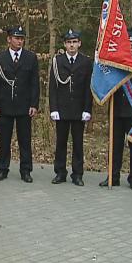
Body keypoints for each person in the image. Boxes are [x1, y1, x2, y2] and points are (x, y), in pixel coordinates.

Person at [99, 26, 132, 190]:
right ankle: (113, 176)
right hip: (117, 110)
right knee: (114, 147)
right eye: (128, 41)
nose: (131, 44)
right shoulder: (115, 61)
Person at [0, 26, 40, 183]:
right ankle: (2, 169)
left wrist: (34, 104)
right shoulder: (0, 58)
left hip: (24, 106)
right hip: (5, 105)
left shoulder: (30, 58)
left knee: (25, 140)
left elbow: (34, 83)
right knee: (4, 140)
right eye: (16, 38)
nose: (20, 41)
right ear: (9, 39)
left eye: (22, 38)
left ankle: (26, 170)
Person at [49, 29, 93, 186]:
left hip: (79, 110)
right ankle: (60, 172)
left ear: (79, 43)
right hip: (62, 109)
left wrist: (88, 109)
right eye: (69, 42)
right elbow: (53, 87)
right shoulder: (57, 61)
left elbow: (89, 88)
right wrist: (53, 108)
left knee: (78, 143)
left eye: (74, 42)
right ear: (65, 44)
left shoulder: (87, 62)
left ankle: (77, 174)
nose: (72, 45)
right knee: (60, 143)